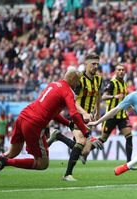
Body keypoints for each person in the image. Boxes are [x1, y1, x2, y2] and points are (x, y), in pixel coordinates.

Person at [0, 68, 101, 187]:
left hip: (23, 116)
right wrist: (86, 132)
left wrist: (69, 124)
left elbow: (52, 113)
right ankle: (5, 162)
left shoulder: (53, 85)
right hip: (34, 124)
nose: (78, 84)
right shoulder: (68, 91)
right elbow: (74, 113)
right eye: (77, 81)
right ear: (72, 79)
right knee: (42, 163)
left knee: (12, 152)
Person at [48, 53, 103, 181]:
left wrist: (98, 111)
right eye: (93, 64)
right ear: (86, 64)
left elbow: (98, 95)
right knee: (81, 142)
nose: (95, 66)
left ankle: (58, 136)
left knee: (84, 151)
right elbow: (73, 101)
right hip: (77, 115)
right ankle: (67, 174)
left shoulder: (99, 79)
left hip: (88, 118)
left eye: (97, 64)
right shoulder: (80, 80)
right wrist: (84, 112)